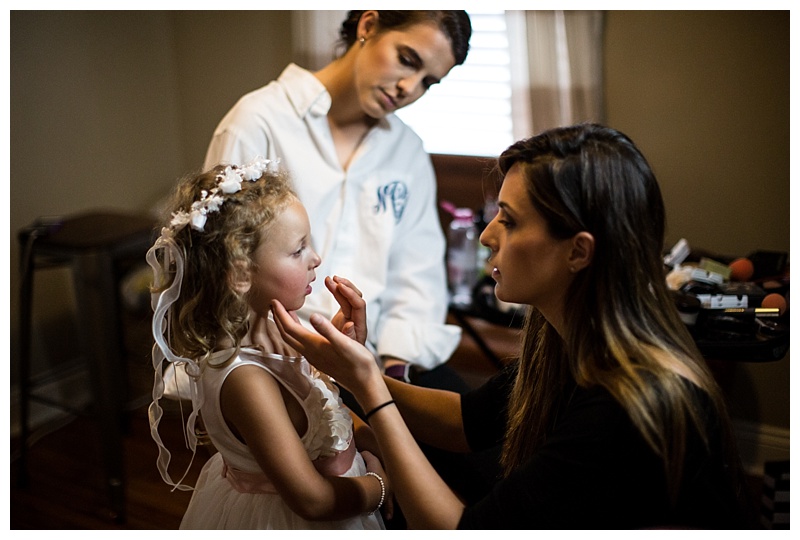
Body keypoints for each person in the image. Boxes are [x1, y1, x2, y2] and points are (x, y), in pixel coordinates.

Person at [272, 124, 753, 529]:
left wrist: (368, 390)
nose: (486, 236)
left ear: (578, 252)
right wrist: (358, 370)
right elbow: (466, 422)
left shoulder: (626, 407)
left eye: (510, 219)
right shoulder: (568, 343)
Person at [204, 10, 472, 385]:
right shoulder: (258, 121)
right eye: (407, 60)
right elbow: (220, 260)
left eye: (428, 81)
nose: (408, 88)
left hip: (373, 357)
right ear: (368, 27)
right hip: (272, 354)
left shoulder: (407, 151)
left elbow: (416, 276)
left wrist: (394, 376)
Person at [146, 157, 389, 529]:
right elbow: (313, 500)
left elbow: (321, 421)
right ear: (241, 274)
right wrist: (383, 485)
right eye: (298, 250)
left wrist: (339, 356)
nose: (316, 259)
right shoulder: (244, 380)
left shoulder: (282, 329)